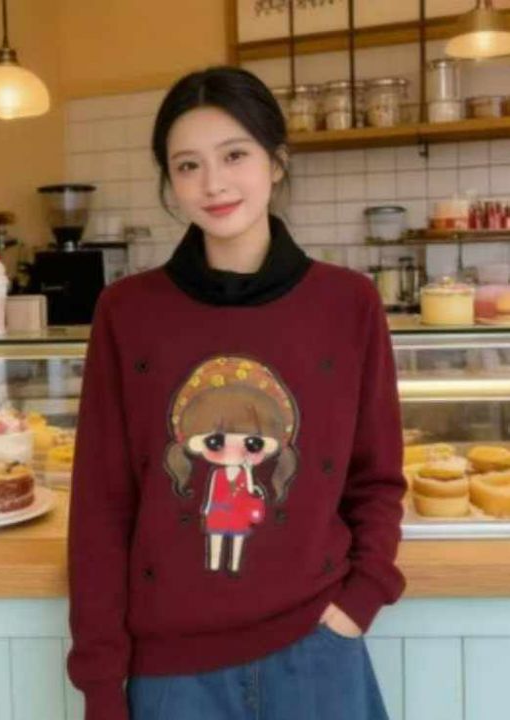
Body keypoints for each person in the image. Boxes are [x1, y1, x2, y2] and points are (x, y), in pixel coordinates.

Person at [67, 65, 406, 720]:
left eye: (234, 155)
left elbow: (377, 477)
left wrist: (362, 596)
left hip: (316, 649)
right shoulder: (127, 312)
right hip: (170, 672)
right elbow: (101, 510)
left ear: (276, 160)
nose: (213, 183)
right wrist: (101, 685)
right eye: (187, 165)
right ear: (170, 182)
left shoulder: (349, 303)